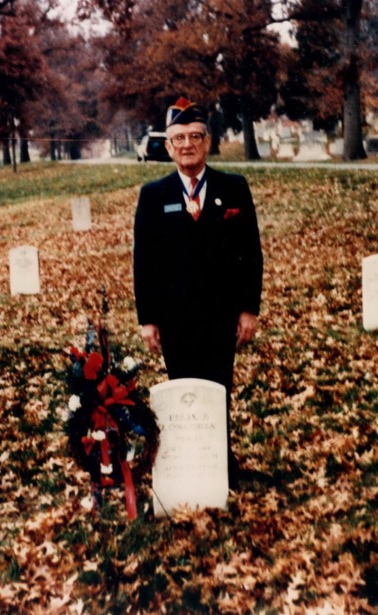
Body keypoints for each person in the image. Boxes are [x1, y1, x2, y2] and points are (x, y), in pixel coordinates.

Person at [133, 96, 263, 483]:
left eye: (195, 136)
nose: (187, 144)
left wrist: (248, 309)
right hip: (175, 320)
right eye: (179, 138)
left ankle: (220, 464)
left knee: (219, 388)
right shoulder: (153, 196)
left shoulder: (233, 188)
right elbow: (144, 263)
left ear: (207, 142)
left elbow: (250, 253)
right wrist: (148, 319)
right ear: (168, 146)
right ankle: (190, 463)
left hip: (222, 315)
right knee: (184, 391)